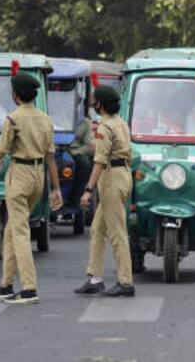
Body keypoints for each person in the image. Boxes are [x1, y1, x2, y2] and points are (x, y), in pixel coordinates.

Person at [0, 68, 62, 305]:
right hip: (39, 176)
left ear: (16, 95)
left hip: (19, 175)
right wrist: (55, 189)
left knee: (19, 232)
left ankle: (29, 288)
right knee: (11, 229)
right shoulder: (46, 120)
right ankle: (6, 284)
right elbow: (50, 157)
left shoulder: (13, 119)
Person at [75, 85, 134, 297]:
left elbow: (99, 162)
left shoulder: (104, 128)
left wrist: (88, 190)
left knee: (117, 232)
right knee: (98, 229)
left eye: (94, 100)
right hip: (122, 174)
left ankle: (125, 282)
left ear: (100, 103)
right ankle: (95, 278)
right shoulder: (121, 123)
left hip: (111, 178)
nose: (92, 103)